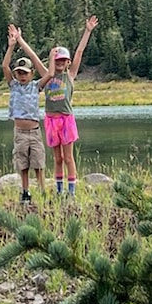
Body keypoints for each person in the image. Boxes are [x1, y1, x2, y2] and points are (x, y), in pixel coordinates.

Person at [42, 15, 97, 197]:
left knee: (68, 157)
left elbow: (79, 52)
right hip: (51, 120)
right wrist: (18, 40)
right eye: (56, 60)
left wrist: (87, 31)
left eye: (62, 61)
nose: (59, 63)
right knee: (57, 158)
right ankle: (59, 190)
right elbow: (33, 57)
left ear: (67, 62)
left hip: (66, 120)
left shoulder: (70, 75)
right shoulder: (47, 76)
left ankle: (71, 192)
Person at [2, 24, 47, 204]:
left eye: (25, 73)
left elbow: (50, 73)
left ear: (31, 74)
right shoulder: (13, 86)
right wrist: (12, 45)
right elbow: (4, 65)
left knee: (38, 163)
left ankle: (42, 190)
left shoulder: (36, 86)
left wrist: (22, 41)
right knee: (23, 163)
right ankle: (25, 191)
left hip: (34, 131)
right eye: (19, 73)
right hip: (20, 133)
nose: (22, 76)